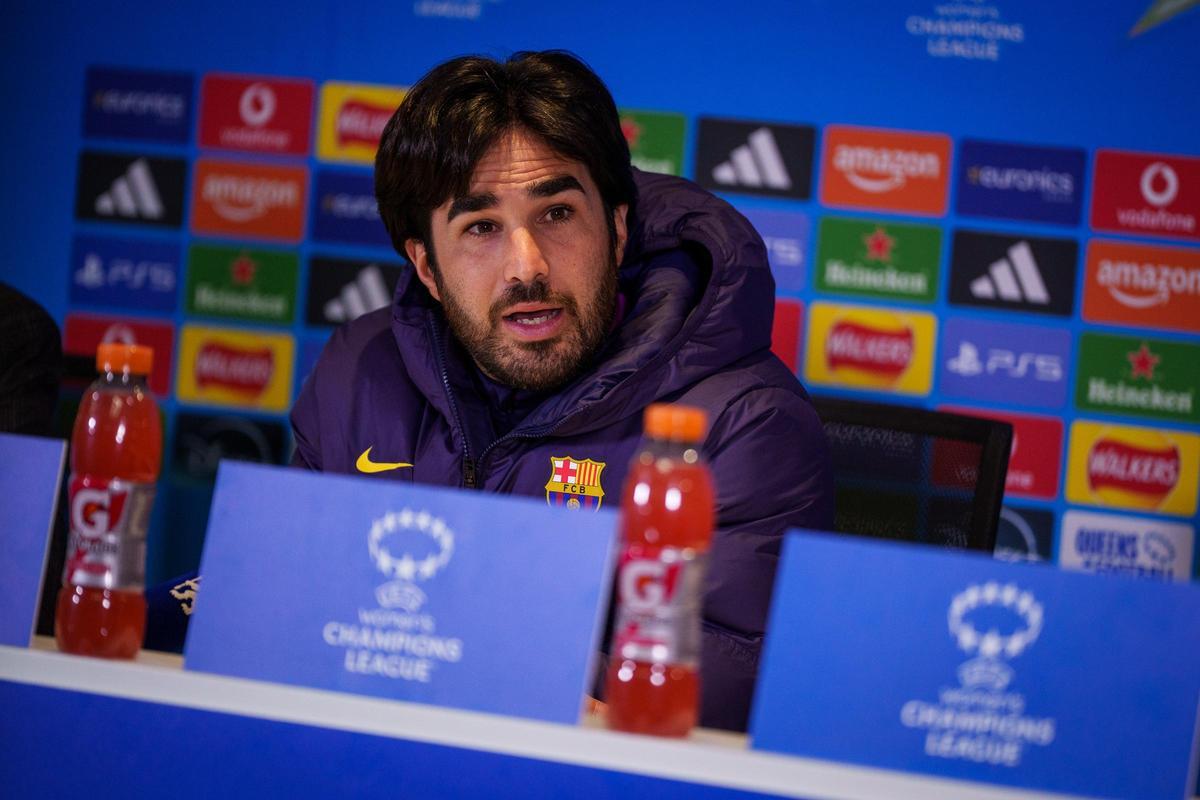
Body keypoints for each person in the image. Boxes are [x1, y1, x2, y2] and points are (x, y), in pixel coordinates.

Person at [290, 50, 833, 732]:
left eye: (556, 214)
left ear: (617, 226)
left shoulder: (743, 425)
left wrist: (431, 659)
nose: (528, 266)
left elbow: (718, 693)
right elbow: (291, 606)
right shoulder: (355, 373)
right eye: (481, 227)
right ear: (426, 266)